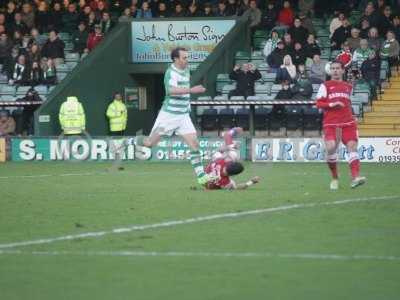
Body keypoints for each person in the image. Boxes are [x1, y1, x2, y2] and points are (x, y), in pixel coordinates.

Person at [131, 47, 218, 186]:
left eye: (187, 57)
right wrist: (191, 90)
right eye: (184, 58)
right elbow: (171, 91)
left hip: (183, 116)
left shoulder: (187, 70)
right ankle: (127, 142)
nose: (187, 60)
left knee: (194, 144)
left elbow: (183, 92)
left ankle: (201, 176)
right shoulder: (170, 72)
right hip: (169, 116)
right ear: (176, 59)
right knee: (149, 143)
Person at [316, 61, 366, 190]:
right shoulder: (325, 85)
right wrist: (332, 104)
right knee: (331, 148)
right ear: (330, 71)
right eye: (333, 69)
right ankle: (334, 177)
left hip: (348, 123)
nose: (335, 71)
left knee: (352, 147)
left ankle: (355, 177)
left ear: (343, 71)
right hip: (331, 124)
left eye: (338, 68)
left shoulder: (348, 86)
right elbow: (318, 103)